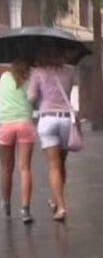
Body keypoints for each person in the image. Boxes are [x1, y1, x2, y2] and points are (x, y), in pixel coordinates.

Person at [27, 49, 75, 222]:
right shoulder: (69, 71)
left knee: (53, 165)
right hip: (66, 121)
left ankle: (61, 207)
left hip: (47, 119)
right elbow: (68, 91)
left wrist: (41, 95)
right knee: (61, 163)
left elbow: (31, 97)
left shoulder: (38, 72)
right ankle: (55, 199)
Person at [0, 58, 36, 224]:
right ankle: (25, 210)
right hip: (25, 124)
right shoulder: (31, 77)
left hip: (5, 125)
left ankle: (6, 204)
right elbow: (34, 99)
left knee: (7, 168)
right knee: (25, 168)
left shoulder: (4, 77)